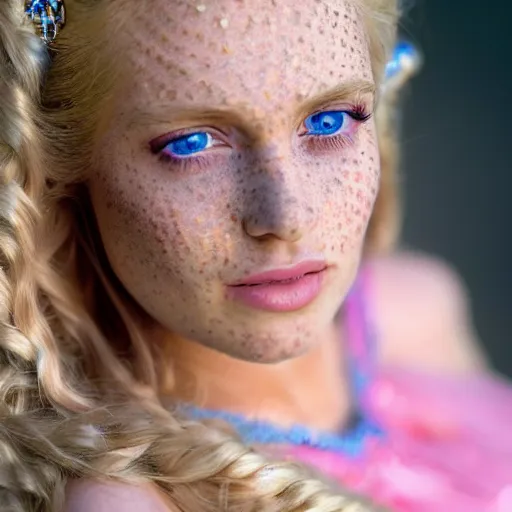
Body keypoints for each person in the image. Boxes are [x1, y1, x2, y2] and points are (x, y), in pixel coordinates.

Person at [0, 0, 510, 511]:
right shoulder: (131, 503)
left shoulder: (419, 310)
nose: (286, 217)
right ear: (64, 163)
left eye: (330, 120)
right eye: (191, 143)